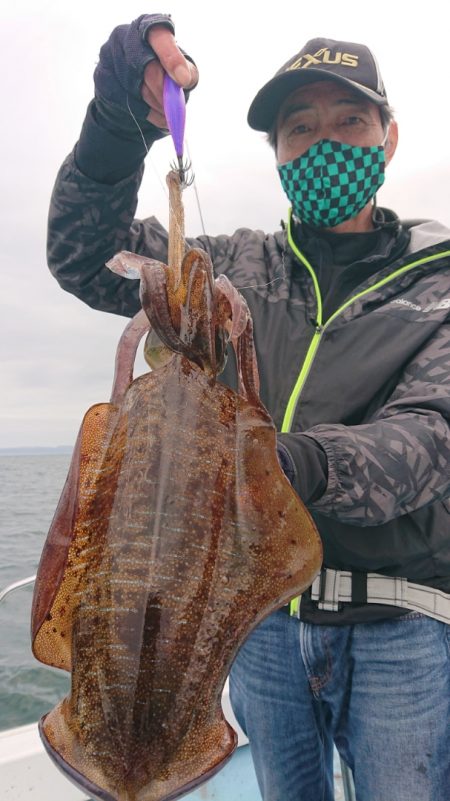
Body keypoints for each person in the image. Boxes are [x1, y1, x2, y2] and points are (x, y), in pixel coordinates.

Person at [47, 14, 450, 801]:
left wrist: (278, 460)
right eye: (299, 128)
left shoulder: (437, 282)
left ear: (389, 137)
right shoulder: (228, 269)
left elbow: (433, 439)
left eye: (349, 120)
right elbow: (82, 255)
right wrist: (114, 126)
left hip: (401, 624)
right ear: (277, 152)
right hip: (257, 627)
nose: (323, 140)